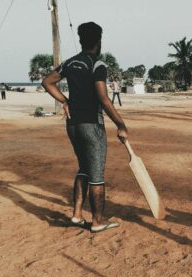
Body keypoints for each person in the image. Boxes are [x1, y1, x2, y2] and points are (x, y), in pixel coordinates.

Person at [42, 22, 128, 233]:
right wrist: (121, 124)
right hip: (92, 124)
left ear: (81, 40)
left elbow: (47, 82)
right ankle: (98, 221)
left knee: (84, 169)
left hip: (72, 125)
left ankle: (77, 214)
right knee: (97, 174)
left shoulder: (70, 63)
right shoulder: (97, 64)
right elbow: (104, 98)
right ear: (99, 41)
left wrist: (65, 101)